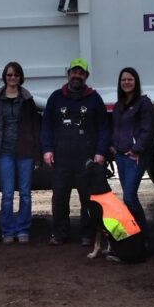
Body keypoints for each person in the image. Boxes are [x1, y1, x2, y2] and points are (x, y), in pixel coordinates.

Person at [40, 58, 110, 246]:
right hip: (61, 158)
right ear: (68, 74)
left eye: (81, 73)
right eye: (74, 72)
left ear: (85, 76)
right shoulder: (56, 97)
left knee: (87, 199)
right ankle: (60, 233)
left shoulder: (94, 99)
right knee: (60, 197)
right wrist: (47, 149)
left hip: (86, 159)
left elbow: (104, 127)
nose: (77, 76)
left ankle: (87, 234)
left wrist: (100, 152)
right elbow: (46, 125)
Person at [0, 61, 42, 244]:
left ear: (20, 77)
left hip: (25, 152)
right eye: (9, 75)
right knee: (7, 194)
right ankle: (8, 230)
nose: (12, 78)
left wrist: (37, 154)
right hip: (4, 153)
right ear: (5, 76)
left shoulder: (27, 100)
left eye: (16, 75)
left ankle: (23, 229)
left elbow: (35, 128)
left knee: (25, 193)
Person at [110, 67, 154, 233]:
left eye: (130, 79)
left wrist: (137, 149)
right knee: (128, 197)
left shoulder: (143, 103)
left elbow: (148, 129)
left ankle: (145, 234)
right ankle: (135, 233)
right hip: (120, 156)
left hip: (135, 157)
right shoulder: (118, 106)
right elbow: (114, 128)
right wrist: (112, 146)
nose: (126, 83)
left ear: (136, 82)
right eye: (123, 80)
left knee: (129, 197)